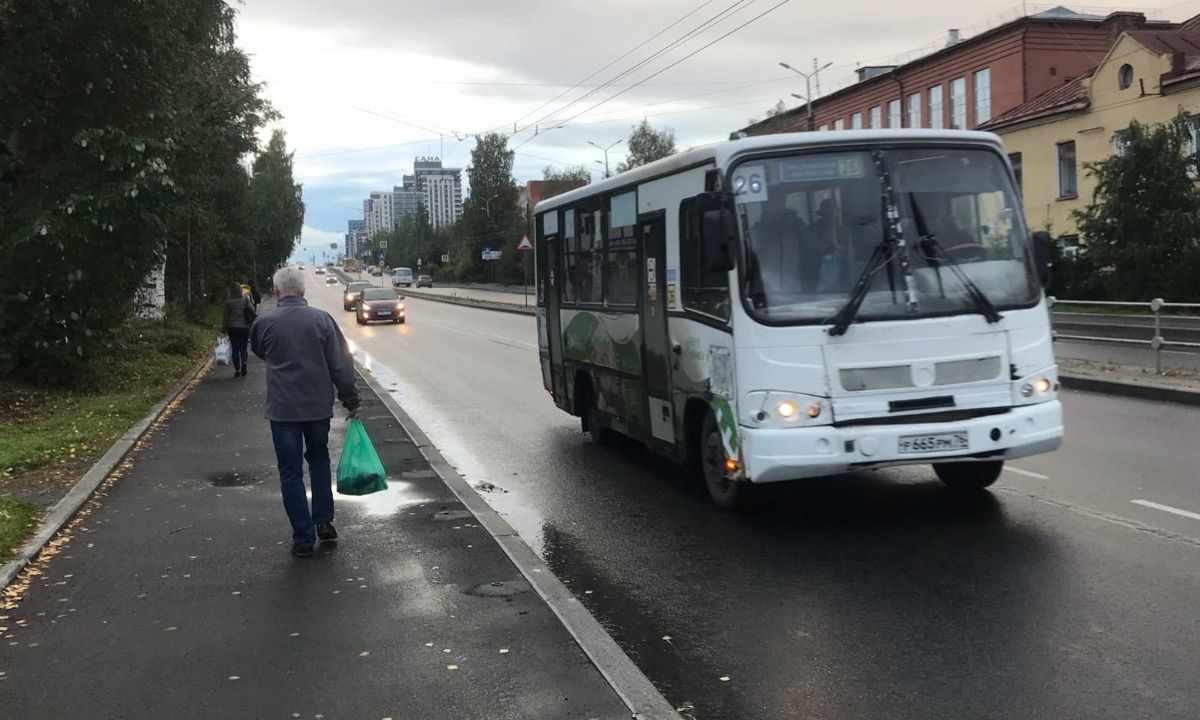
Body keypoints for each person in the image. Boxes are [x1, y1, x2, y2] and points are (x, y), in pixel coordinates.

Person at [250, 266, 361, 558]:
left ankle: (302, 538)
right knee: (319, 459)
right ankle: (323, 520)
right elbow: (340, 363)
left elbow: (261, 352)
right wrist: (351, 399)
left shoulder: (264, 324)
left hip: (282, 409)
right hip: (317, 407)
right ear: (302, 290)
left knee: (290, 473)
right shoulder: (321, 320)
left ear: (275, 291)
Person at [221, 282, 254, 378]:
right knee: (243, 348)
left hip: (232, 328)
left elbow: (225, 317)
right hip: (244, 327)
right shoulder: (245, 300)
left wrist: (223, 329)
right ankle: (244, 362)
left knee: (235, 348)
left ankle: (237, 370)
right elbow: (252, 310)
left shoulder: (228, 302)